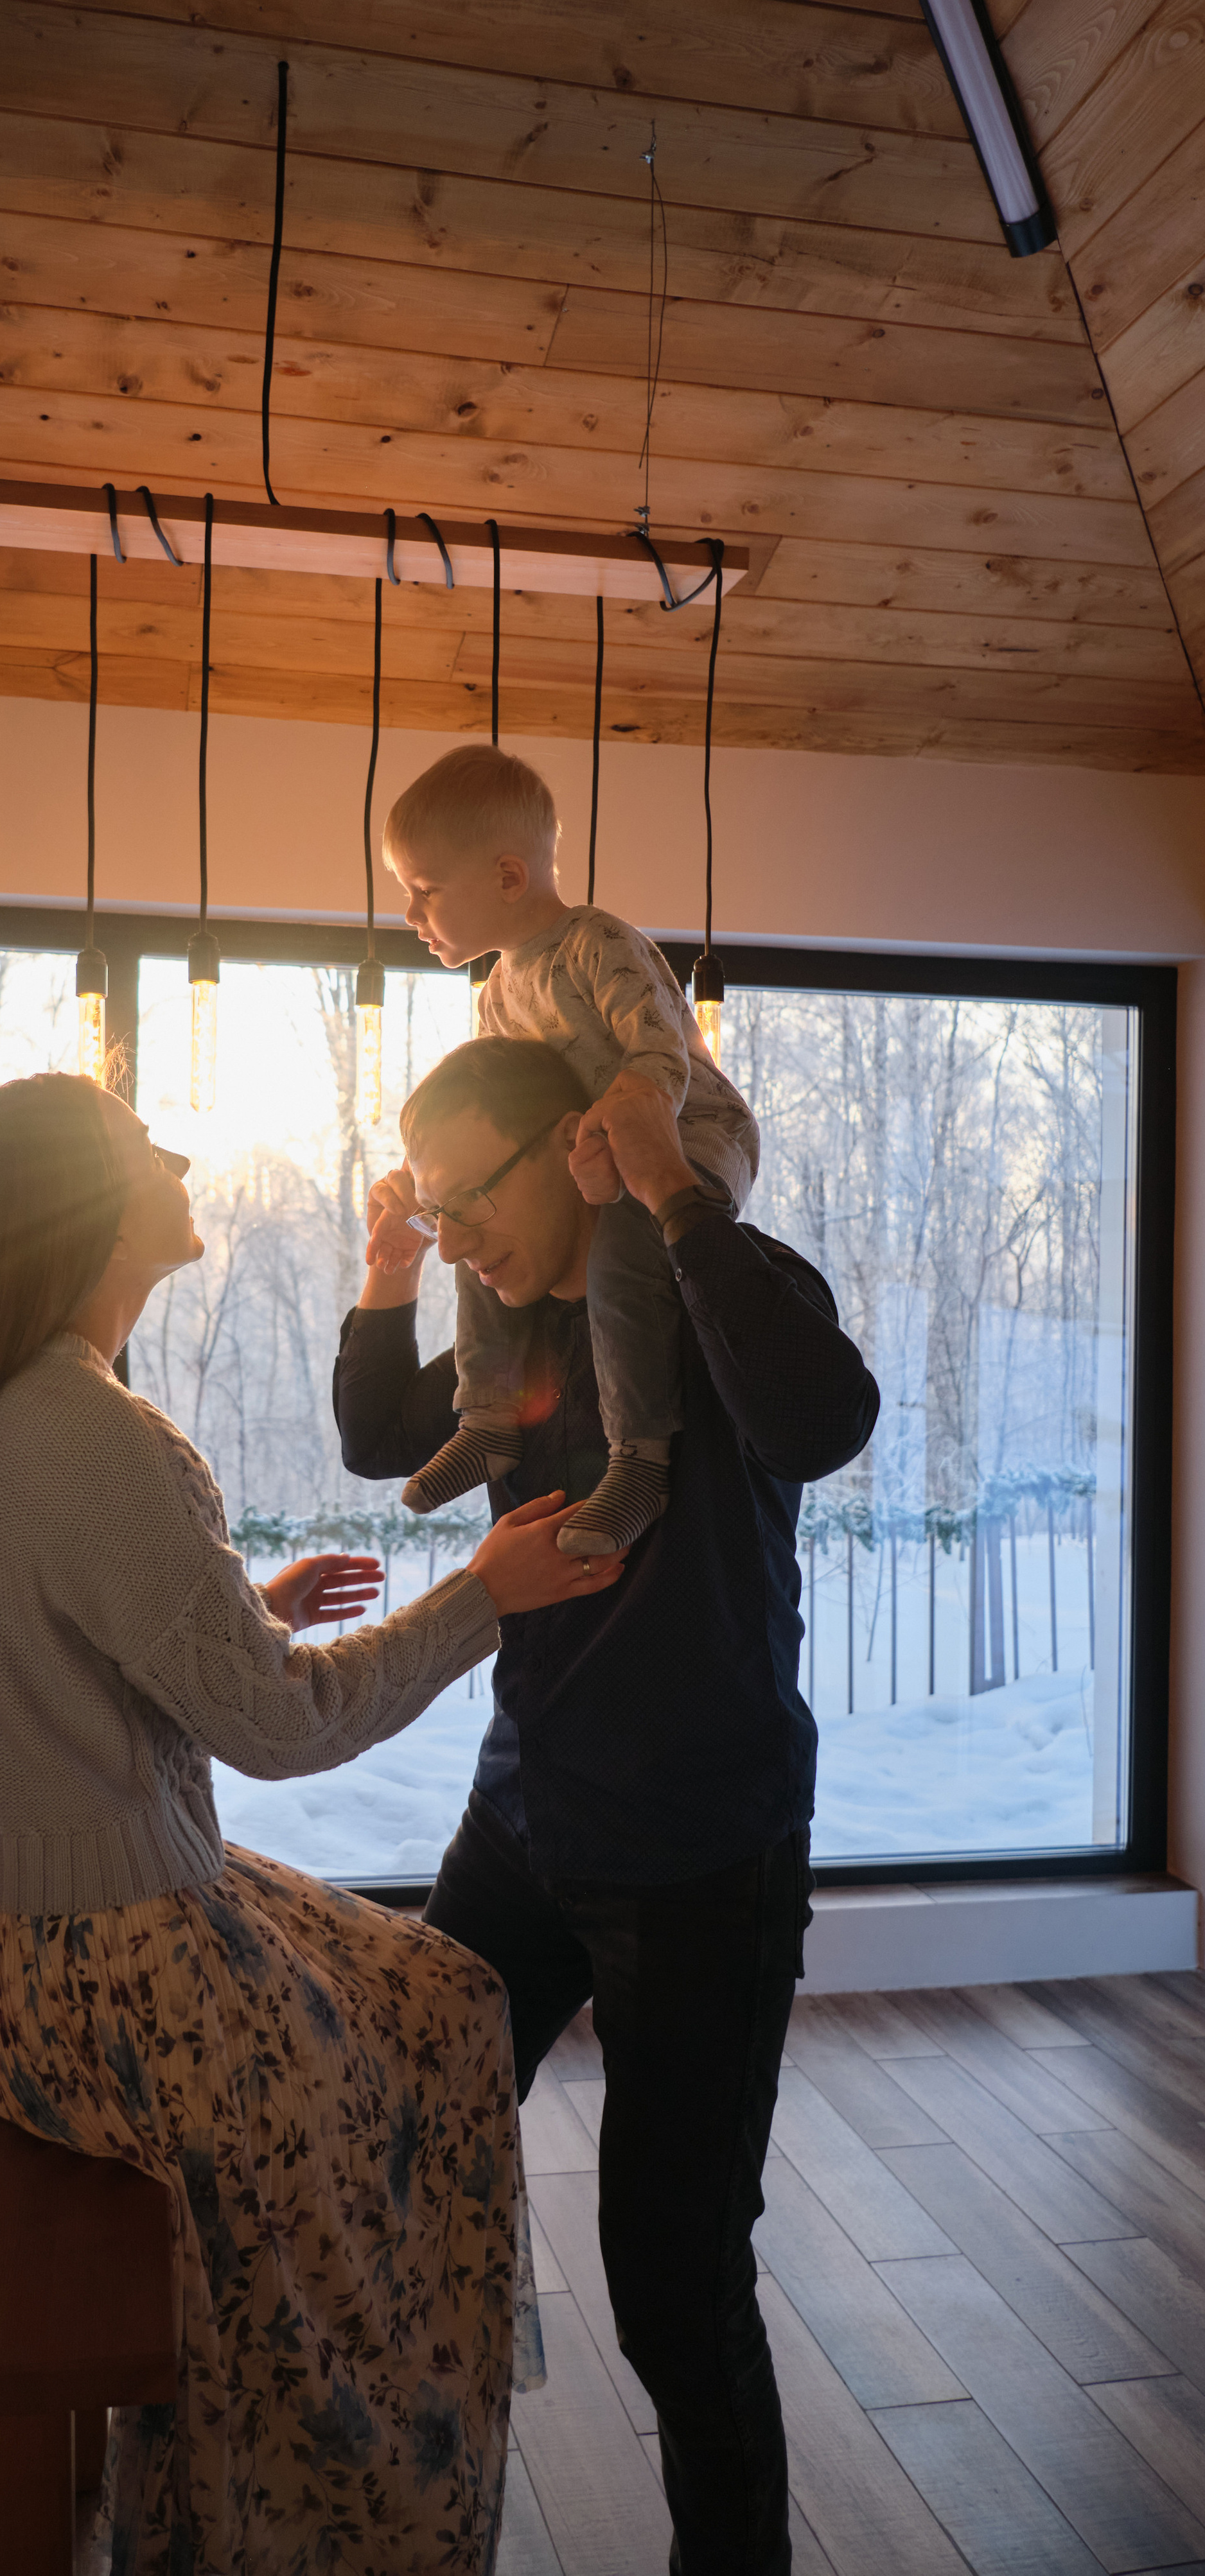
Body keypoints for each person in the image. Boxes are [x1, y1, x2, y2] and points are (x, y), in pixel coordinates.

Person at [0, 1072, 626, 2576]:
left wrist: (230, 1619)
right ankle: (339, 2489)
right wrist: (484, 1594)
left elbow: (49, 1648)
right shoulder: (92, 1431)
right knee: (432, 2045)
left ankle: (303, 2440)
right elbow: (285, 1730)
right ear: (80, 1207)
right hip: (111, 1985)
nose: (174, 1151)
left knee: (432, 1994)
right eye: (138, 1145)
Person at [334, 1036, 879, 2576]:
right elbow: (384, 1441)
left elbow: (818, 1420)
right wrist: (387, 1274)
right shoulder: (511, 1329)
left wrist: (666, 1185)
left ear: (566, 1149)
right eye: (427, 1211)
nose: (453, 1235)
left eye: (463, 1201)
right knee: (395, 2138)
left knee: (668, 2285)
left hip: (703, 1856)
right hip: (521, 1826)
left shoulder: (710, 1291)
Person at [379, 743, 760, 1556]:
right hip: (601, 1153)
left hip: (689, 1136)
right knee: (472, 1233)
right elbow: (496, 1090)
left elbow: (660, 1054)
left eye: (425, 891)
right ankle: (487, 1418)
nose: (411, 916)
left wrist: (628, 1114)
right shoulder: (499, 990)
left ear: (509, 877)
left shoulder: (598, 944)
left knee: (624, 1248)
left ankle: (638, 1459)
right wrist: (429, 1180)